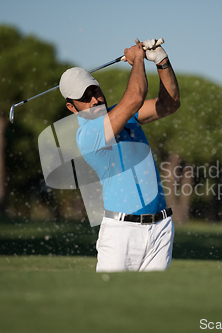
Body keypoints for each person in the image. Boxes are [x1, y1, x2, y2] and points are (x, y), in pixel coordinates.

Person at [58, 39, 180, 272]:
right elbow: (135, 98)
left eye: (95, 90)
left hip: (161, 227)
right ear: (72, 108)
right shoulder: (88, 134)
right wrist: (137, 60)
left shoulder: (122, 115)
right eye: (84, 98)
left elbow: (169, 104)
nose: (94, 99)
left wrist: (162, 62)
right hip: (122, 233)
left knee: (151, 306)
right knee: (107, 305)